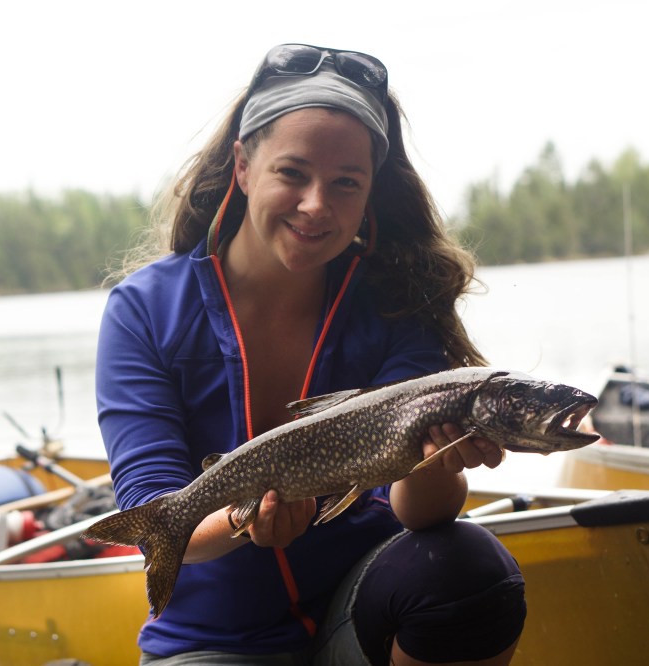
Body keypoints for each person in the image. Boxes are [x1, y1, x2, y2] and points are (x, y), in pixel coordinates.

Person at [96, 43, 526, 665]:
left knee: (470, 566)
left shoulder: (396, 306)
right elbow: (152, 507)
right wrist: (245, 518)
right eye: (292, 173)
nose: (317, 204)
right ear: (244, 166)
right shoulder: (144, 310)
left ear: (370, 191)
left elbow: (414, 513)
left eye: (346, 182)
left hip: (360, 614)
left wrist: (439, 460)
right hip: (213, 642)